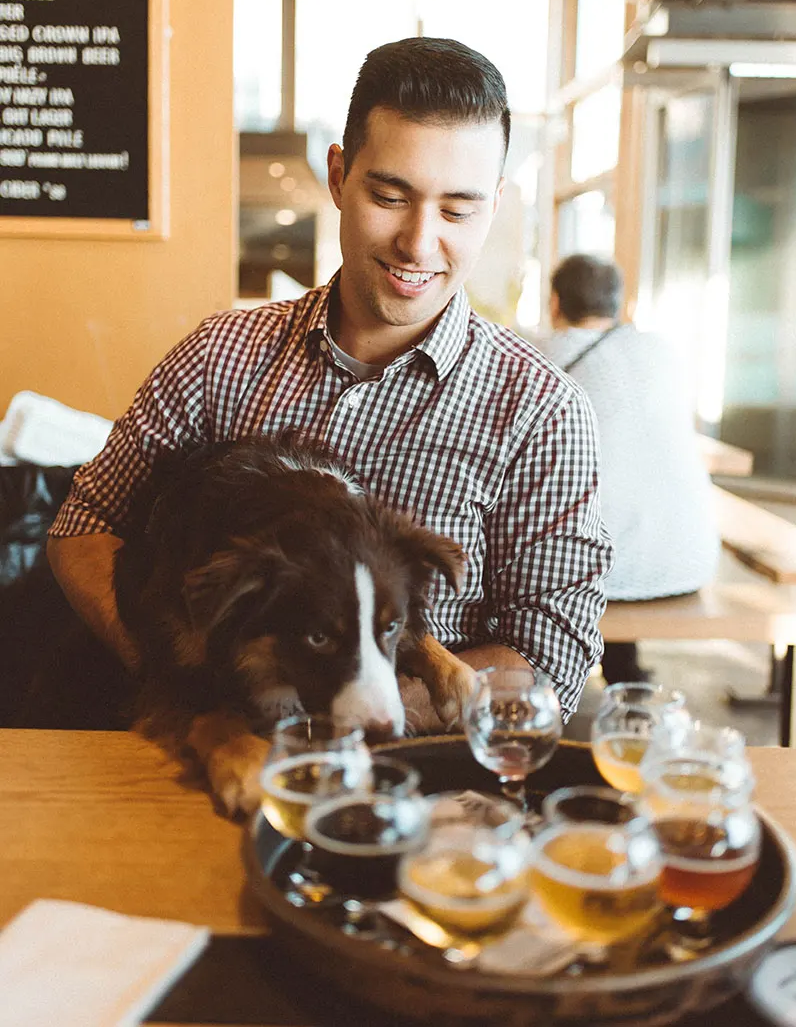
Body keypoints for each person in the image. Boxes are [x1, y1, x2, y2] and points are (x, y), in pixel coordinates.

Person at [47, 38, 612, 726]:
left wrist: (353, 710)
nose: (418, 242)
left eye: (457, 209)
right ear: (339, 175)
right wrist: (184, 678)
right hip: (207, 767)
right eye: (390, 195)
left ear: (493, 205)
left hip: (428, 785)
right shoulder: (217, 356)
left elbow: (551, 656)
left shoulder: (542, 412)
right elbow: (83, 529)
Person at [534, 253, 720, 685]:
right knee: (617, 511)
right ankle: (624, 672)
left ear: (555, 303)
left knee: (568, 528)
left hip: (603, 574)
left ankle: (537, 682)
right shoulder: (663, 350)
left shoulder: (543, 351)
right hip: (689, 559)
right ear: (620, 305)